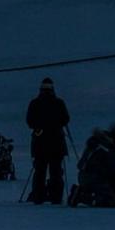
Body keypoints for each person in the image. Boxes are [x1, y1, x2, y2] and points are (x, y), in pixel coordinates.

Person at [26, 77, 70, 205]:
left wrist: (39, 127)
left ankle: (38, 197)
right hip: (56, 144)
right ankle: (56, 197)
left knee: (40, 171)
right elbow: (66, 119)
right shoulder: (59, 103)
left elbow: (29, 121)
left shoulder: (35, 103)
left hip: (40, 144)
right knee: (56, 172)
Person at [68, 123, 115, 207]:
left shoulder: (101, 143)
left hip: (89, 176)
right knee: (110, 200)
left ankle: (83, 193)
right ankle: (81, 196)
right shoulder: (106, 146)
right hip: (93, 177)